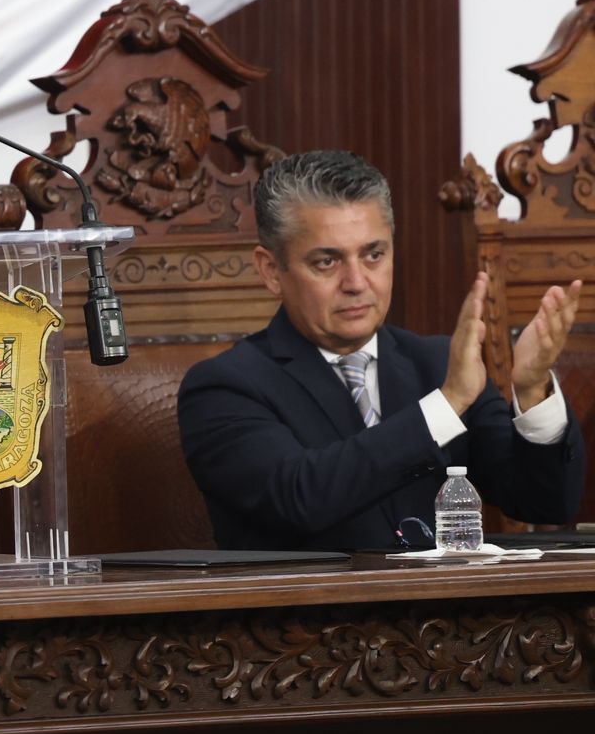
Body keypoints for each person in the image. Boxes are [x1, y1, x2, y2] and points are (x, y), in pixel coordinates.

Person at [179, 149, 584, 550]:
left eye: (373, 255)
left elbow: (544, 503)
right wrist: (445, 406)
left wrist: (532, 391)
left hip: (448, 594)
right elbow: (299, 498)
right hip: (315, 595)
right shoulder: (224, 387)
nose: (356, 282)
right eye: (327, 262)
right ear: (271, 271)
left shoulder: (437, 363)